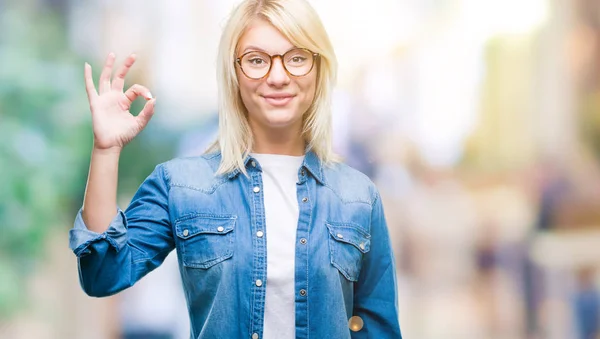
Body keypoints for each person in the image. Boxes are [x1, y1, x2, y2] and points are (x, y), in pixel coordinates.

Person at [68, 0, 402, 338]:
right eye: (257, 60)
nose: (277, 76)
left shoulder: (358, 196)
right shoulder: (182, 185)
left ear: (318, 69)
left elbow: (377, 328)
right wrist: (106, 150)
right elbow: (103, 274)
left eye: (296, 58)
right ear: (234, 73)